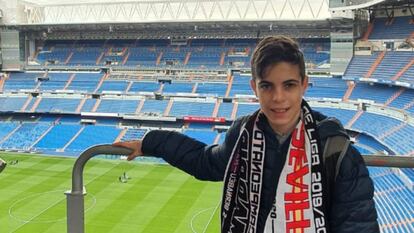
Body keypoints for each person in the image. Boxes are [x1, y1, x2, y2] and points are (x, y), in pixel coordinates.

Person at [113, 36, 379, 233]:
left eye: (289, 85)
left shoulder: (334, 149)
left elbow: (357, 226)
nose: (278, 98)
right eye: (267, 86)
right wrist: (151, 142)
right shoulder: (243, 134)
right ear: (254, 88)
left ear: (304, 85)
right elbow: (206, 162)